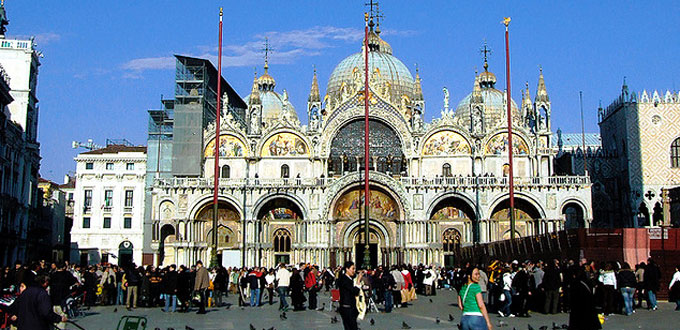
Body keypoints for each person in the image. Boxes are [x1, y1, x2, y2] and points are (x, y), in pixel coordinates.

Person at [568, 266, 601, 330]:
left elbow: (573, 297)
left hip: (578, 308)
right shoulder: (586, 281)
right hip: (588, 306)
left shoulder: (575, 283)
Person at [337, 261, 362, 330]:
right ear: (347, 269)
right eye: (353, 269)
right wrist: (358, 281)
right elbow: (355, 291)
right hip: (347, 307)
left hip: (348, 307)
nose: (354, 271)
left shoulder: (347, 278)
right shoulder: (345, 280)